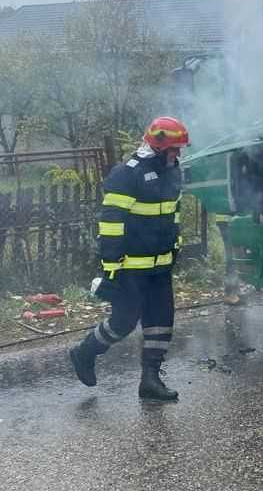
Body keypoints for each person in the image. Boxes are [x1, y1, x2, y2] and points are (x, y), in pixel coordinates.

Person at [69, 117, 189, 401]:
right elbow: (111, 224)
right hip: (129, 267)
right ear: (158, 146)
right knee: (124, 321)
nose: (177, 154)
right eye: (173, 149)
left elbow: (173, 213)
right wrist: (111, 268)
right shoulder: (127, 174)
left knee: (161, 322)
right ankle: (85, 352)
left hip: (160, 266)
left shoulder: (173, 172)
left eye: (179, 149)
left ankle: (150, 380)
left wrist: (175, 247)